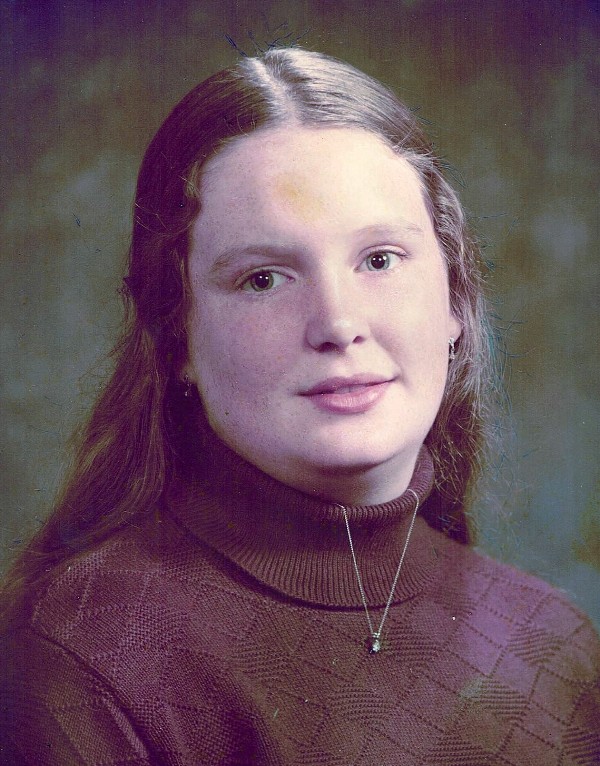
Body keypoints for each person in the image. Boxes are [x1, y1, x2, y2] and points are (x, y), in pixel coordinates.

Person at [1, 47, 598, 765]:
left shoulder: (557, 647)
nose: (339, 324)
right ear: (176, 334)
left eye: (380, 259)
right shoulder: (80, 653)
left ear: (454, 301)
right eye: (264, 278)